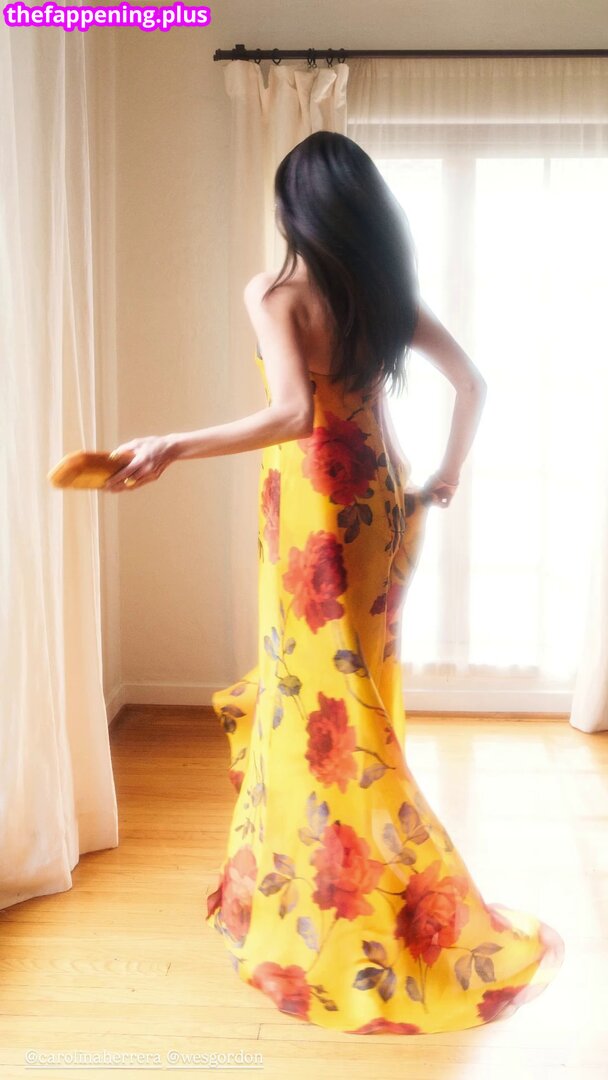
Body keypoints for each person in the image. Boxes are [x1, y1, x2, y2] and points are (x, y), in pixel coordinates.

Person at [103, 131, 564, 1035]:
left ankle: (334, 888)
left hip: (313, 509)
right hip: (379, 504)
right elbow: (472, 383)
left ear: (293, 210)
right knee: (355, 697)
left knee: (311, 698)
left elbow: (290, 414)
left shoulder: (275, 292)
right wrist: (446, 474)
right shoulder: (384, 296)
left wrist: (171, 445)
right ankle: (346, 878)